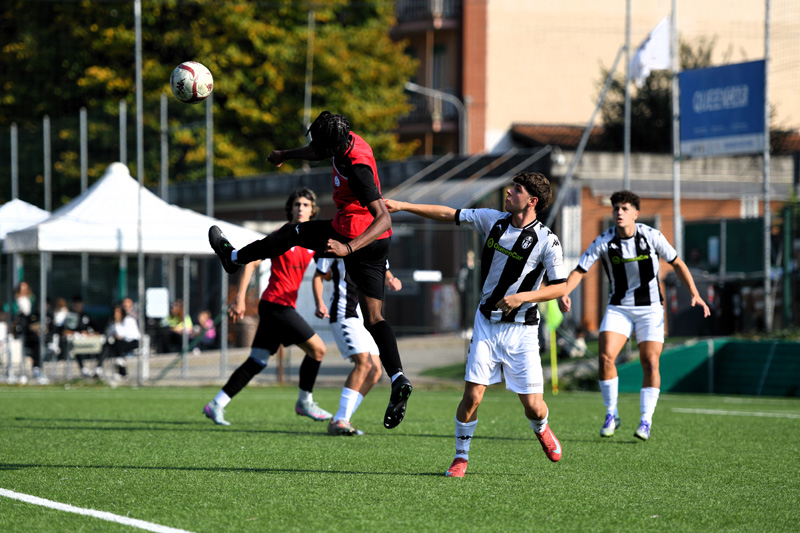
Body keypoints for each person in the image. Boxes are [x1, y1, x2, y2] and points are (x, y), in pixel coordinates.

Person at [208, 111, 412, 429]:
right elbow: (317, 152)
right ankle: (398, 377)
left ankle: (234, 258)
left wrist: (347, 248)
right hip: (377, 245)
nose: (315, 147)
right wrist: (286, 155)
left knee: (291, 232)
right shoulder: (347, 140)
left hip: (353, 234)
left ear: (333, 145)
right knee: (374, 318)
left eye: (319, 143)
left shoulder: (357, 168)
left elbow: (383, 217)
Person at [385, 171, 568, 477]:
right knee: (472, 397)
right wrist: (403, 205)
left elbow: (560, 286)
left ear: (532, 201)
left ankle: (541, 427)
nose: (508, 192)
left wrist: (522, 297)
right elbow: (448, 213)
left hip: (522, 331)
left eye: (516, 189)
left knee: (534, 407)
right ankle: (461, 457)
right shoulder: (492, 220)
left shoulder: (547, 240)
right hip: (486, 324)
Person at [557, 190, 710, 441]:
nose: (619, 212)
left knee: (650, 362)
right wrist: (564, 292)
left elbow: (677, 263)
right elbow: (579, 270)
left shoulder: (651, 236)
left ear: (635, 214)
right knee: (606, 357)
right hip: (619, 307)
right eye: (616, 208)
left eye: (625, 208)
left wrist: (694, 292)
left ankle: (646, 420)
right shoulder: (604, 240)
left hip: (650, 308)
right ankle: (611, 413)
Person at [203, 187, 332, 426]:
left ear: (312, 210)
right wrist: (240, 298)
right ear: (290, 209)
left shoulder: (312, 240)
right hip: (276, 305)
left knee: (257, 361)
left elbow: (322, 272)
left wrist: (322, 296)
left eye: (305, 205)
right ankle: (305, 402)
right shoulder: (282, 235)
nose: (301, 208)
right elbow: (251, 262)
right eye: (297, 204)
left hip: (281, 307)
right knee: (318, 350)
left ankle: (216, 404)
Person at [312, 258, 402, 436]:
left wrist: (391, 279)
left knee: (375, 371)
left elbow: (383, 267)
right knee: (364, 364)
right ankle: (341, 420)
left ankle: (341, 418)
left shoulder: (374, 243)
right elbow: (318, 276)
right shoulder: (336, 244)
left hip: (368, 316)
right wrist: (319, 302)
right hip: (345, 312)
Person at [98, 303, 140, 379]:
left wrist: (117, 324)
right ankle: (99, 367)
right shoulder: (112, 322)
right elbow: (109, 333)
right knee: (108, 344)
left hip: (132, 342)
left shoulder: (128, 320)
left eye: (118, 312)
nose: (116, 314)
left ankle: (121, 369)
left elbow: (127, 335)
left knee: (117, 344)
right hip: (119, 344)